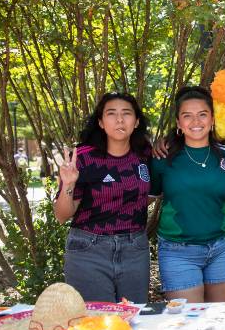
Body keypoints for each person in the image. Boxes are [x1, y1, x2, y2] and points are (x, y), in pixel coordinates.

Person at [54, 93, 152, 303]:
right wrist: (68, 184)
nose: (119, 119)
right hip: (89, 250)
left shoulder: (145, 154)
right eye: (111, 114)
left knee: (135, 319)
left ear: (135, 122)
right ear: (100, 122)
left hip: (135, 249)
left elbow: (147, 195)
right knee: (95, 324)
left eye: (126, 114)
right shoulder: (83, 157)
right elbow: (62, 215)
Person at [150, 86, 225, 303]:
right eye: (187, 116)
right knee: (188, 324)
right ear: (179, 123)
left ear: (212, 119)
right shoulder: (163, 157)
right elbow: (149, 197)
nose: (196, 122)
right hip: (177, 251)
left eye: (202, 114)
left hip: (222, 247)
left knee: (218, 320)